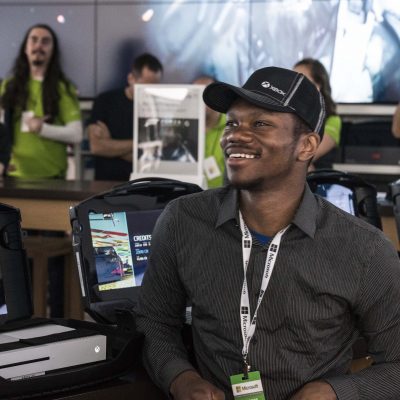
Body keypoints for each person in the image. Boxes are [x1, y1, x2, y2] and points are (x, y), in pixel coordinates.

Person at [136, 66, 400, 400]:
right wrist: (181, 378)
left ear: (306, 146)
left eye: (260, 123)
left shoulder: (364, 250)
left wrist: (334, 392)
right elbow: (153, 323)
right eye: (232, 122)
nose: (236, 134)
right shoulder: (183, 220)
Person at [0, 24, 82, 179]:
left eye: (45, 41)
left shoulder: (63, 87)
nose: (39, 45)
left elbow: (76, 134)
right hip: (12, 177)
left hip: (52, 179)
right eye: (34, 40)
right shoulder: (8, 86)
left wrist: (43, 129)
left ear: (52, 51)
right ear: (25, 48)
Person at [87, 53, 163, 181]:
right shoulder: (105, 101)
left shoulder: (159, 108)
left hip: (143, 184)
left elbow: (154, 157)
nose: (150, 92)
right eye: (145, 86)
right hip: (106, 184)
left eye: (155, 87)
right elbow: (97, 147)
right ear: (131, 78)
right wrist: (142, 144)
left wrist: (110, 143)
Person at [293, 58, 341, 171]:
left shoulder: (333, 120)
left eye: (301, 80)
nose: (295, 85)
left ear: (318, 85)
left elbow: (309, 155)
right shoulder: (287, 114)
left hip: (319, 181)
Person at [193, 76, 226, 188]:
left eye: (206, 94)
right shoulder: (185, 130)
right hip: (189, 197)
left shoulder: (232, 127)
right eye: (196, 95)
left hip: (222, 199)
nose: (201, 100)